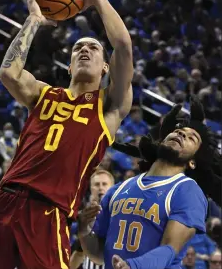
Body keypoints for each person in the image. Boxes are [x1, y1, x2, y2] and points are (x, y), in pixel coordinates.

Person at [0, 0, 133, 269]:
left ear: (105, 68)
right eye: (78, 47)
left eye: (93, 48)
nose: (84, 50)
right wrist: (34, 20)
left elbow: (122, 45)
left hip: (48, 212)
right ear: (68, 66)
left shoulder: (109, 107)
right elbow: (8, 73)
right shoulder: (43, 94)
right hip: (3, 201)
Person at [77, 98, 221, 269]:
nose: (181, 133)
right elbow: (100, 254)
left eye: (192, 138)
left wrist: (133, 266)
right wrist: (83, 230)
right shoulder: (118, 189)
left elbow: (169, 249)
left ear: (193, 162)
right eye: (179, 130)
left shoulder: (188, 191)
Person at [70, 170, 114, 269]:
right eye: (97, 184)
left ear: (113, 187)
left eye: (104, 184)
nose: (101, 188)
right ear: (91, 188)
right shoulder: (84, 216)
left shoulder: (120, 215)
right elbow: (79, 252)